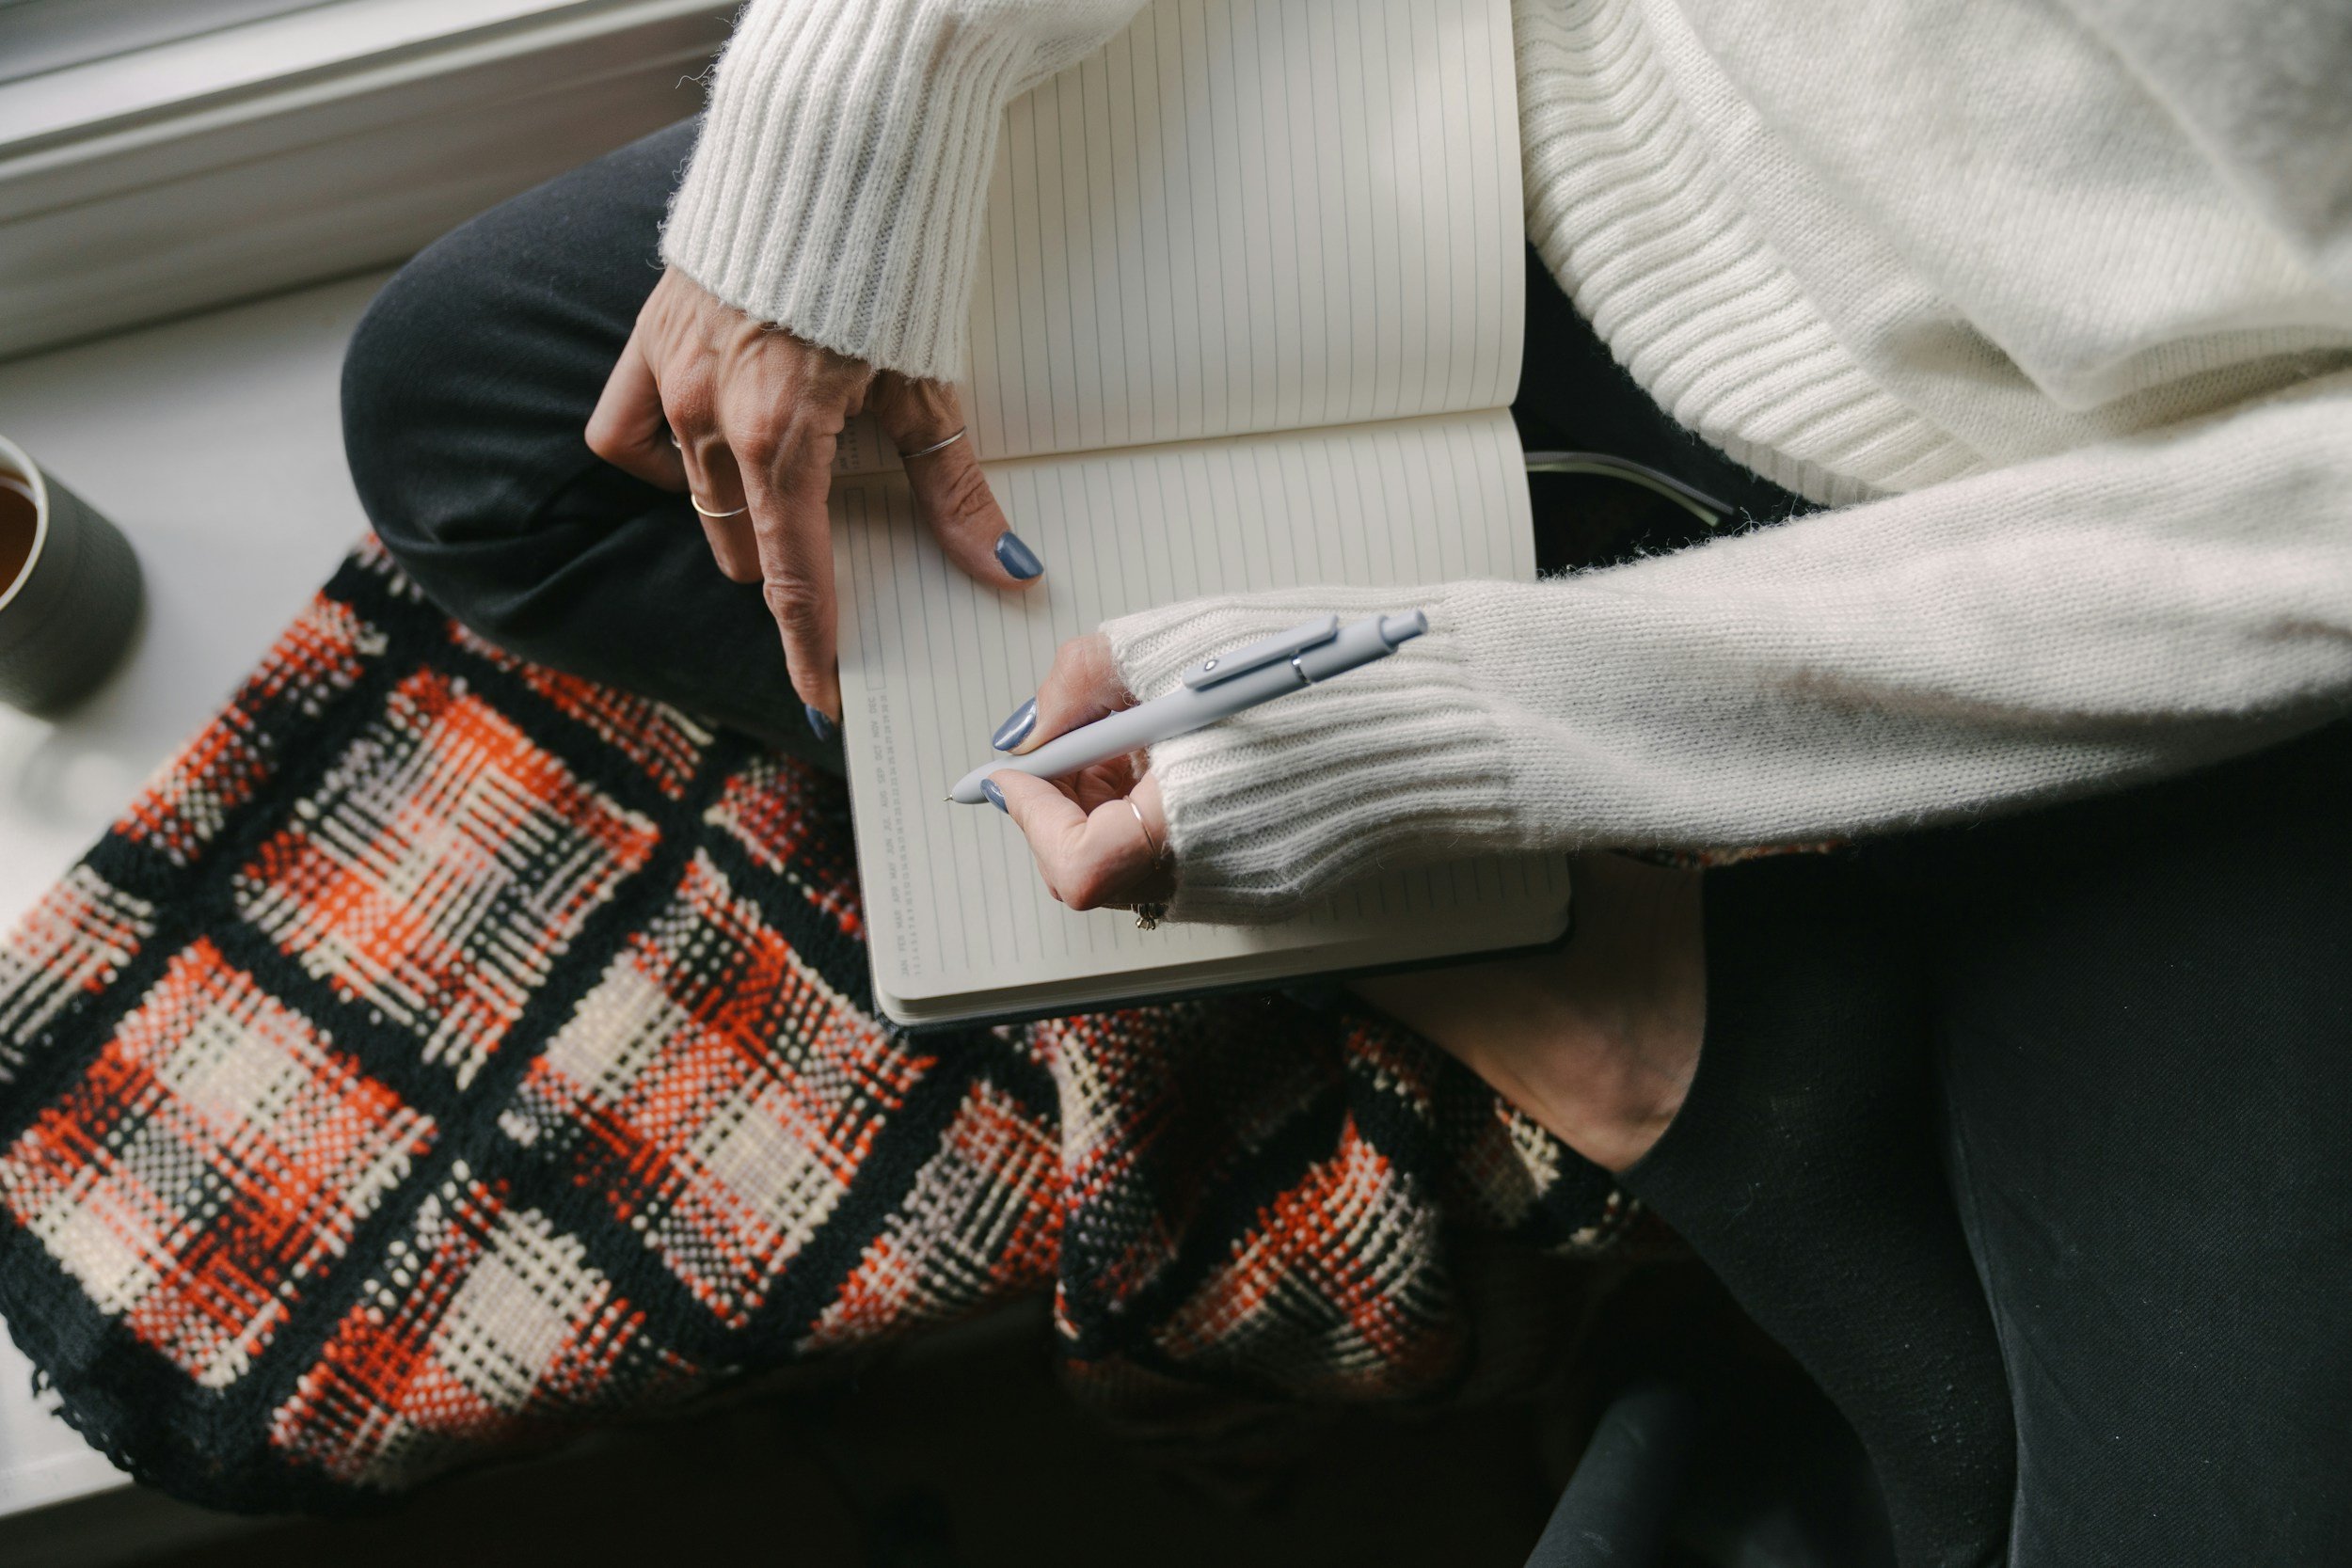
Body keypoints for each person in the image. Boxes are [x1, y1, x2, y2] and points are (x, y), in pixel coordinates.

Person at [340, 3, 2352, 1564]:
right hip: (1512, 99)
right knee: (496, 422)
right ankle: (1611, 1002)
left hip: (2176, 594)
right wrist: (860, 109)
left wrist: (1480, 727)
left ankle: (1679, 1151)